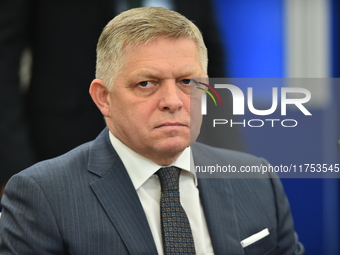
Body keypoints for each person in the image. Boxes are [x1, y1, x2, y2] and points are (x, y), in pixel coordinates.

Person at [0, 7, 304, 254]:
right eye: (146, 84)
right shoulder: (42, 197)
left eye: (187, 82)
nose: (172, 102)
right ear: (103, 97)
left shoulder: (256, 179)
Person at [0, 0, 243, 199]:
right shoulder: (36, 188)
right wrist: (12, 169)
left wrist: (228, 151)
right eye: (146, 83)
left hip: (184, 151)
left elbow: (211, 57)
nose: (170, 99)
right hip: (63, 139)